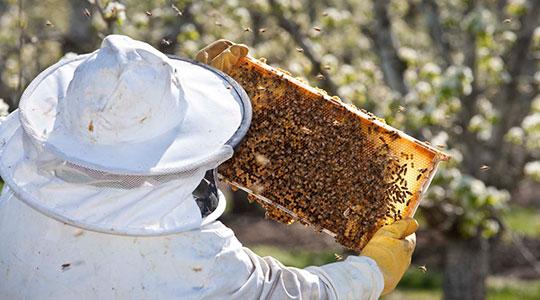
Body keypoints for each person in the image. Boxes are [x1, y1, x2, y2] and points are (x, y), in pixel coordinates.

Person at [0, 35, 417, 300]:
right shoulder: (193, 258)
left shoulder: (15, 201)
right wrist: (371, 274)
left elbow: (124, 176)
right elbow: (285, 295)